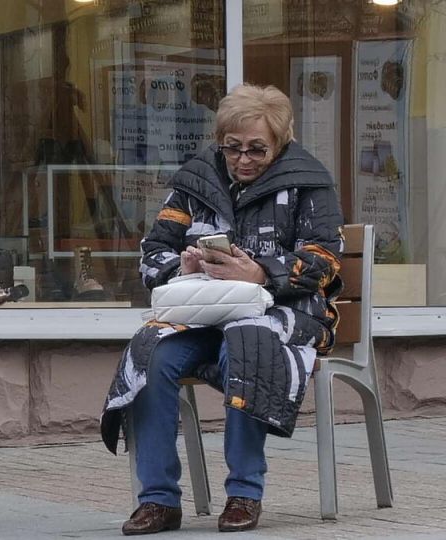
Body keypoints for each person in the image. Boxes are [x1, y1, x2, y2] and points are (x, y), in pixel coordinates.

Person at [101, 84, 344, 535]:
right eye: (233, 148)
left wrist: (261, 273)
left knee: (248, 343)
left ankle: (244, 493)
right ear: (220, 142)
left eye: (257, 149)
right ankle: (157, 500)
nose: (243, 159)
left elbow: (324, 258)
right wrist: (182, 266)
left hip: (283, 313)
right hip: (203, 313)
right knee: (150, 353)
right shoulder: (194, 183)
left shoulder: (309, 181)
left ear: (280, 142)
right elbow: (153, 251)